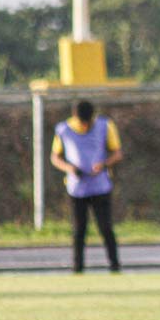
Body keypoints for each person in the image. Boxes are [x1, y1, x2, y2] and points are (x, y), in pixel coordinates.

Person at [50, 100, 123, 272]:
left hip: (100, 186)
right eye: (82, 122)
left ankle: (115, 265)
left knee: (106, 228)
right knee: (79, 230)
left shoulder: (105, 125)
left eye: (88, 122)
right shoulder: (64, 130)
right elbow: (55, 157)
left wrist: (104, 164)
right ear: (75, 117)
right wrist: (70, 168)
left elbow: (118, 152)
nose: (85, 125)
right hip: (77, 188)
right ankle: (78, 268)